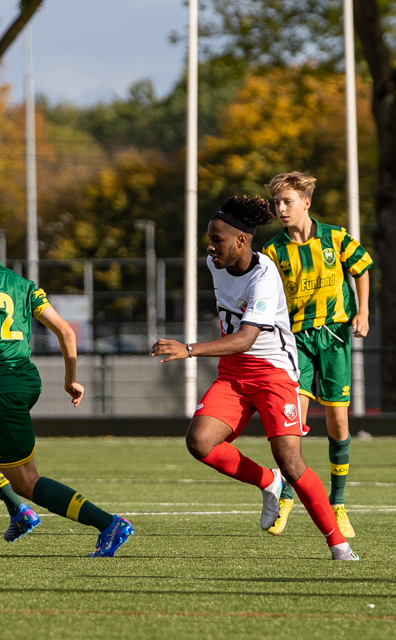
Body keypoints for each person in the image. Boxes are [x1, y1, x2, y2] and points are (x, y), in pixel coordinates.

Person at [151, 195, 358, 561]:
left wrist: (189, 348)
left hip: (273, 374)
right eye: (209, 239)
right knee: (200, 442)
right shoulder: (216, 264)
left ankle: (338, 544)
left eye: (217, 240)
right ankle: (268, 483)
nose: (210, 247)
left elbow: (247, 337)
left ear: (242, 241)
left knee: (291, 461)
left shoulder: (264, 276)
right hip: (234, 373)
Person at [0, 208, 133, 557]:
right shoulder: (23, 284)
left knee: (28, 481)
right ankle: (17, 510)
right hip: (22, 381)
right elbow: (65, 331)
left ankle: (107, 523)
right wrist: (71, 379)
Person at [262, 171, 372, 538]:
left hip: (335, 338)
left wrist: (363, 311)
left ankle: (338, 504)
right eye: (277, 203)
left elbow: (362, 270)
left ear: (306, 203)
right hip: (297, 344)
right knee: (294, 425)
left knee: (338, 424)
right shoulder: (273, 251)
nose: (281, 208)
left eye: (287, 201)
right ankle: (288, 499)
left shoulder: (335, 237)